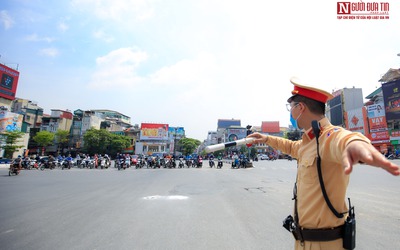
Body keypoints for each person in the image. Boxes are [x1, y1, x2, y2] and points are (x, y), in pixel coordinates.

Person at [247, 77, 400, 250]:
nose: (290, 113)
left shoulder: (328, 137)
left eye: (291, 107)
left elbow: (346, 139)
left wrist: (357, 146)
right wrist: (265, 138)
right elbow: (289, 146)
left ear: (300, 108)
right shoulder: (309, 141)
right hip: (303, 242)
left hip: (325, 244)